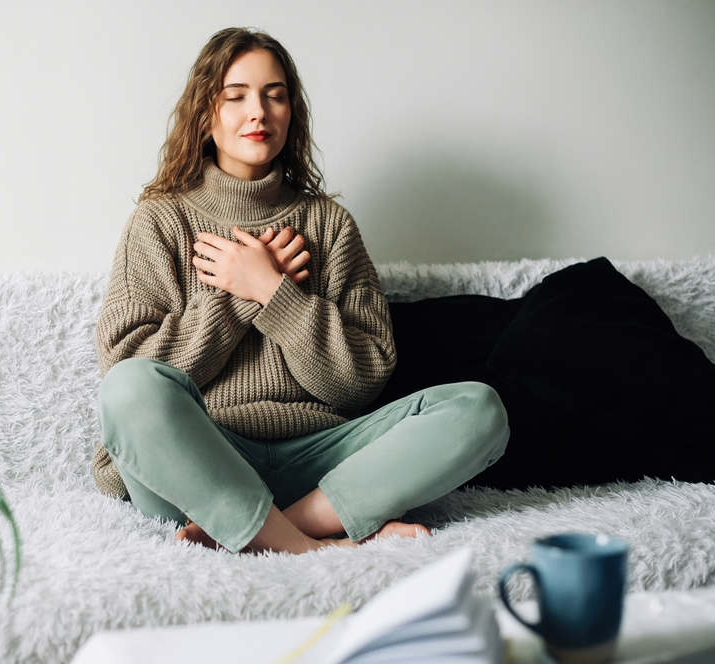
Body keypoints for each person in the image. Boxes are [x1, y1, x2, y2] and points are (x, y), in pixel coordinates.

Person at [93, 27, 509, 555]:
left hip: (327, 463)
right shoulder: (159, 221)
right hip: (204, 465)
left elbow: (359, 382)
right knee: (126, 388)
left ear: (292, 111)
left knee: (480, 410)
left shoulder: (329, 225)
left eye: (275, 94)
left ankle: (273, 530)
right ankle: (313, 544)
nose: (259, 112)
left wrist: (276, 293)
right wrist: (236, 296)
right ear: (205, 113)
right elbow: (129, 367)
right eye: (235, 94)